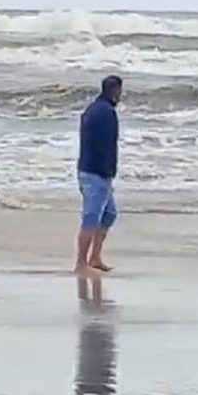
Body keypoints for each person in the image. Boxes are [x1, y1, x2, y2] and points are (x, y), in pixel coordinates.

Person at [75, 75, 123, 276]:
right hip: (96, 172)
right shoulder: (105, 113)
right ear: (114, 91)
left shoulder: (94, 109)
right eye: (119, 92)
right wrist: (107, 170)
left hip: (94, 170)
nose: (120, 96)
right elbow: (105, 145)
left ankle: (95, 258)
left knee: (109, 214)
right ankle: (81, 263)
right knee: (91, 217)